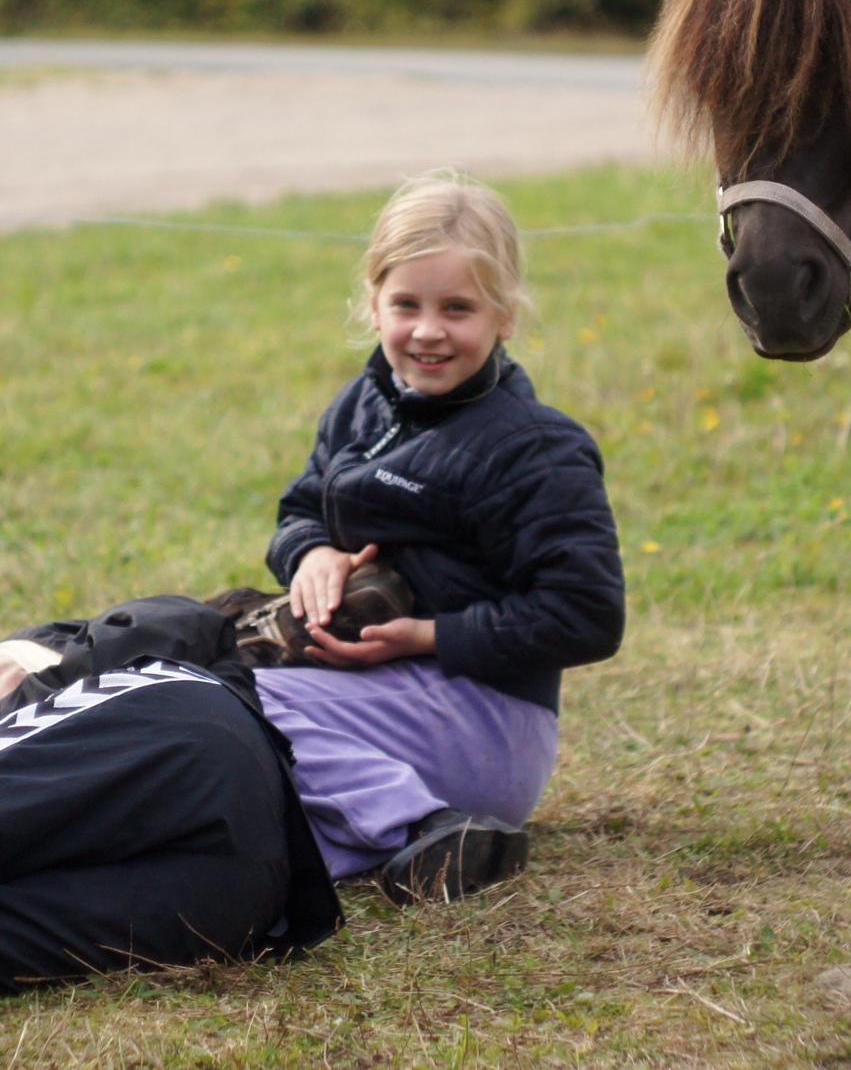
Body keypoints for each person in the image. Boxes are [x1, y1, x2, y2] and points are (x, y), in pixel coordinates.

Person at [254, 172, 625, 903]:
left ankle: (425, 827)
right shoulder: (363, 405)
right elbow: (300, 507)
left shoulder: (535, 449)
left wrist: (424, 635)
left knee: (248, 703)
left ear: (506, 315)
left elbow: (587, 614)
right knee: (206, 702)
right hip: (377, 696)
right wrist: (312, 554)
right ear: (373, 304)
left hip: (486, 720)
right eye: (406, 305)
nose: (428, 330)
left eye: (458, 307)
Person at [0, 596, 342, 993]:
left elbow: (188, 618)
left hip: (184, 749)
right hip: (241, 897)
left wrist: (31, 685)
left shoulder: (49, 644)